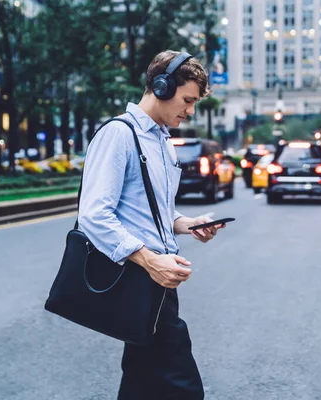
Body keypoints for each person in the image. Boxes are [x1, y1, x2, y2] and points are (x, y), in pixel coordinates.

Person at [77, 50, 224, 400]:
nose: (190, 111)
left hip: (159, 281)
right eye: (187, 100)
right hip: (138, 276)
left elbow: (155, 213)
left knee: (142, 381)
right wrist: (149, 259)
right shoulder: (119, 135)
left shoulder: (161, 141)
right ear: (161, 86)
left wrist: (189, 224)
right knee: (182, 385)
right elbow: (94, 214)